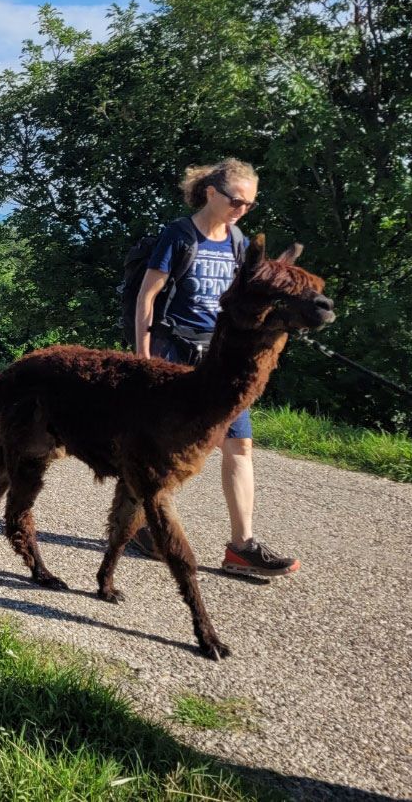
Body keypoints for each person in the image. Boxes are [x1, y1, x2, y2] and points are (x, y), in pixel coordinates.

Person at [130, 158, 300, 577]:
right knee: (165, 448)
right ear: (210, 192)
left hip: (222, 360)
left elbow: (248, 296)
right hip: (175, 352)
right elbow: (146, 296)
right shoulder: (179, 235)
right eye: (236, 200)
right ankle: (140, 522)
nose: (242, 209)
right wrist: (143, 355)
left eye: (250, 204)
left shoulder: (238, 240)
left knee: (238, 445)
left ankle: (242, 547)